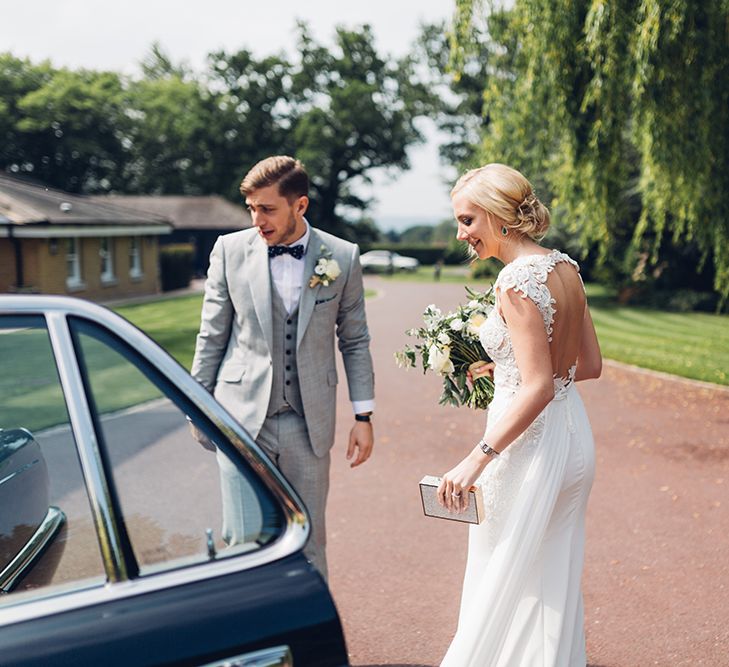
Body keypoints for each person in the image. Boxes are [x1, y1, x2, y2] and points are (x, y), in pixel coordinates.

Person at [437, 163, 602, 666]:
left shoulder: (513, 281)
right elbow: (588, 366)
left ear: (498, 216)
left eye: (468, 220)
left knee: (500, 576)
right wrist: (503, 361)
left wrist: (475, 458)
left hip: (528, 451)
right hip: (575, 442)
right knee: (550, 580)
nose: (461, 234)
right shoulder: (564, 267)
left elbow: (538, 390)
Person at [190, 155, 375, 579]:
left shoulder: (342, 257)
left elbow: (355, 340)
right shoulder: (229, 251)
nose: (257, 219)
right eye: (252, 208)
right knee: (243, 540)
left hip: (307, 424)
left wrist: (363, 415)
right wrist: (196, 406)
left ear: (300, 206)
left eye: (267, 209)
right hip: (239, 419)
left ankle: (310, 642)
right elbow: (212, 335)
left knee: (309, 542)